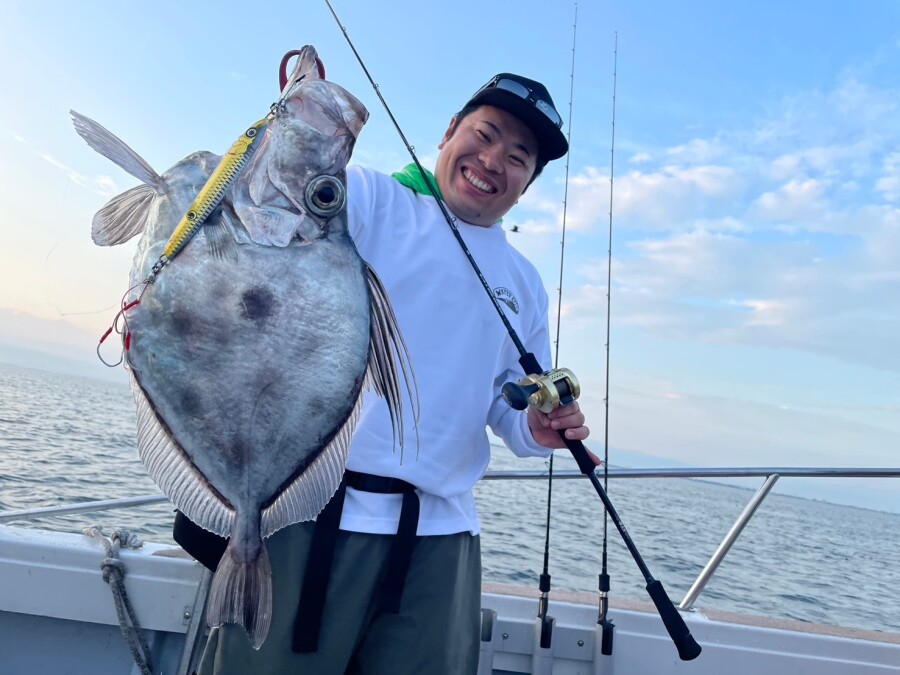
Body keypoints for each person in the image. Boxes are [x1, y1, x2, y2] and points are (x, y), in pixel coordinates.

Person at [193, 72, 590, 674]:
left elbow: (505, 403)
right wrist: (299, 116)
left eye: (517, 158)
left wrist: (534, 428)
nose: (492, 162)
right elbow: (261, 208)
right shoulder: (369, 199)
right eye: (484, 135)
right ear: (448, 132)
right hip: (307, 513)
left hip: (440, 541)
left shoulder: (524, 284)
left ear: (527, 184)